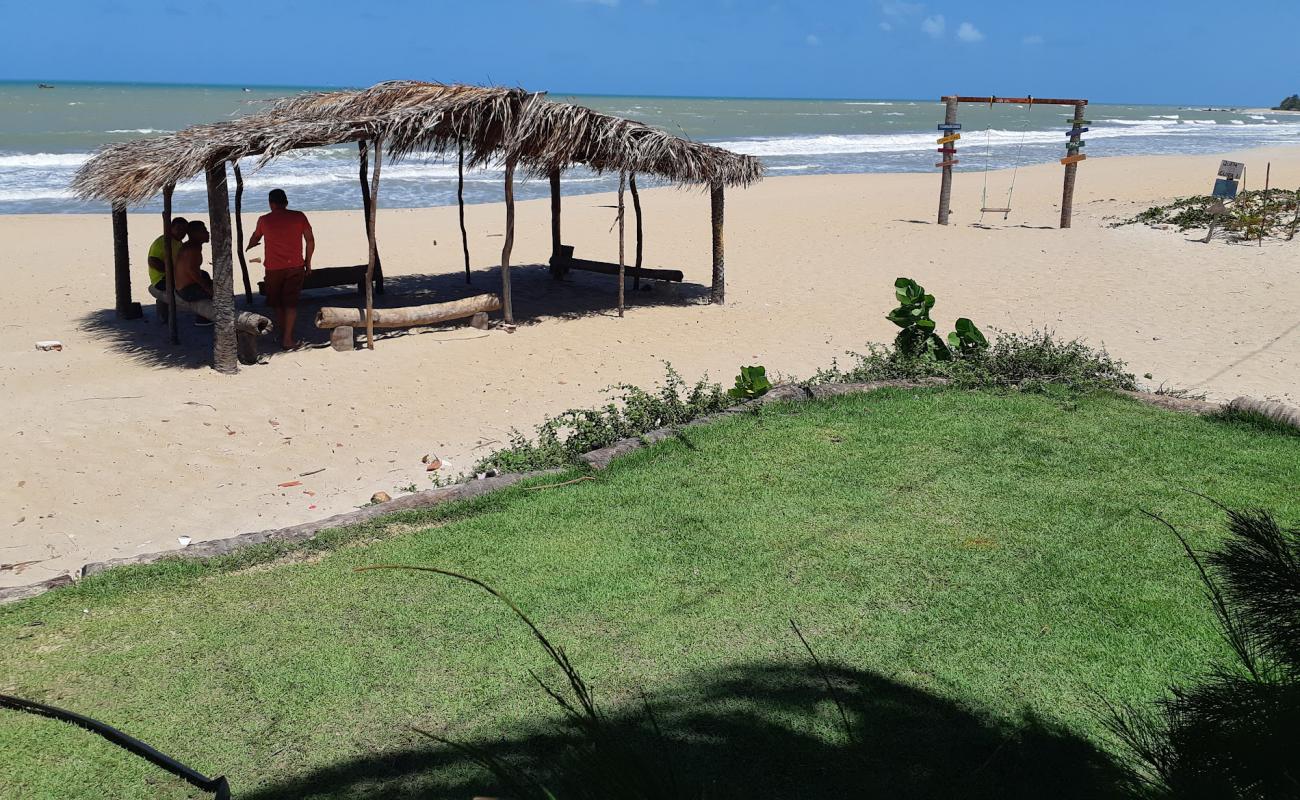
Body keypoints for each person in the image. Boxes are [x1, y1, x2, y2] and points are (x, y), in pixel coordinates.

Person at [247, 189, 314, 350]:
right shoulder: (299, 216)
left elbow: (256, 236)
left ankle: (283, 332)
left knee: (277, 303)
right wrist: (308, 263)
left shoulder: (264, 220)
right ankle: (288, 338)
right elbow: (310, 241)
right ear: (286, 202)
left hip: (273, 268)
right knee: (290, 304)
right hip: (295, 266)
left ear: (271, 204)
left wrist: (250, 245)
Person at [174, 220, 213, 325]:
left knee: (206, 276)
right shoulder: (192, 249)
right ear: (194, 234)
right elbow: (192, 272)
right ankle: (204, 318)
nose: (207, 233)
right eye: (203, 231)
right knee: (221, 293)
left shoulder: (191, 245)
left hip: (182, 287)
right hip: (186, 291)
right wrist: (208, 289)